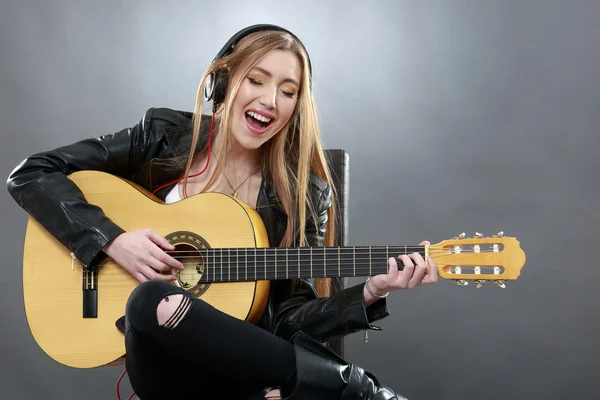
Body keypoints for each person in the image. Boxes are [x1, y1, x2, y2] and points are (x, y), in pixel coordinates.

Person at [6, 24, 438, 399]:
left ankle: (280, 389)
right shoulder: (162, 136)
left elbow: (290, 322)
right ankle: (354, 391)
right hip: (163, 372)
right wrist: (112, 241)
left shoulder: (304, 194)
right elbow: (32, 174)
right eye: (257, 80)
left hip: (236, 370)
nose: (270, 100)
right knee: (148, 300)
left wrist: (371, 291)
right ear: (225, 80)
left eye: (288, 91)